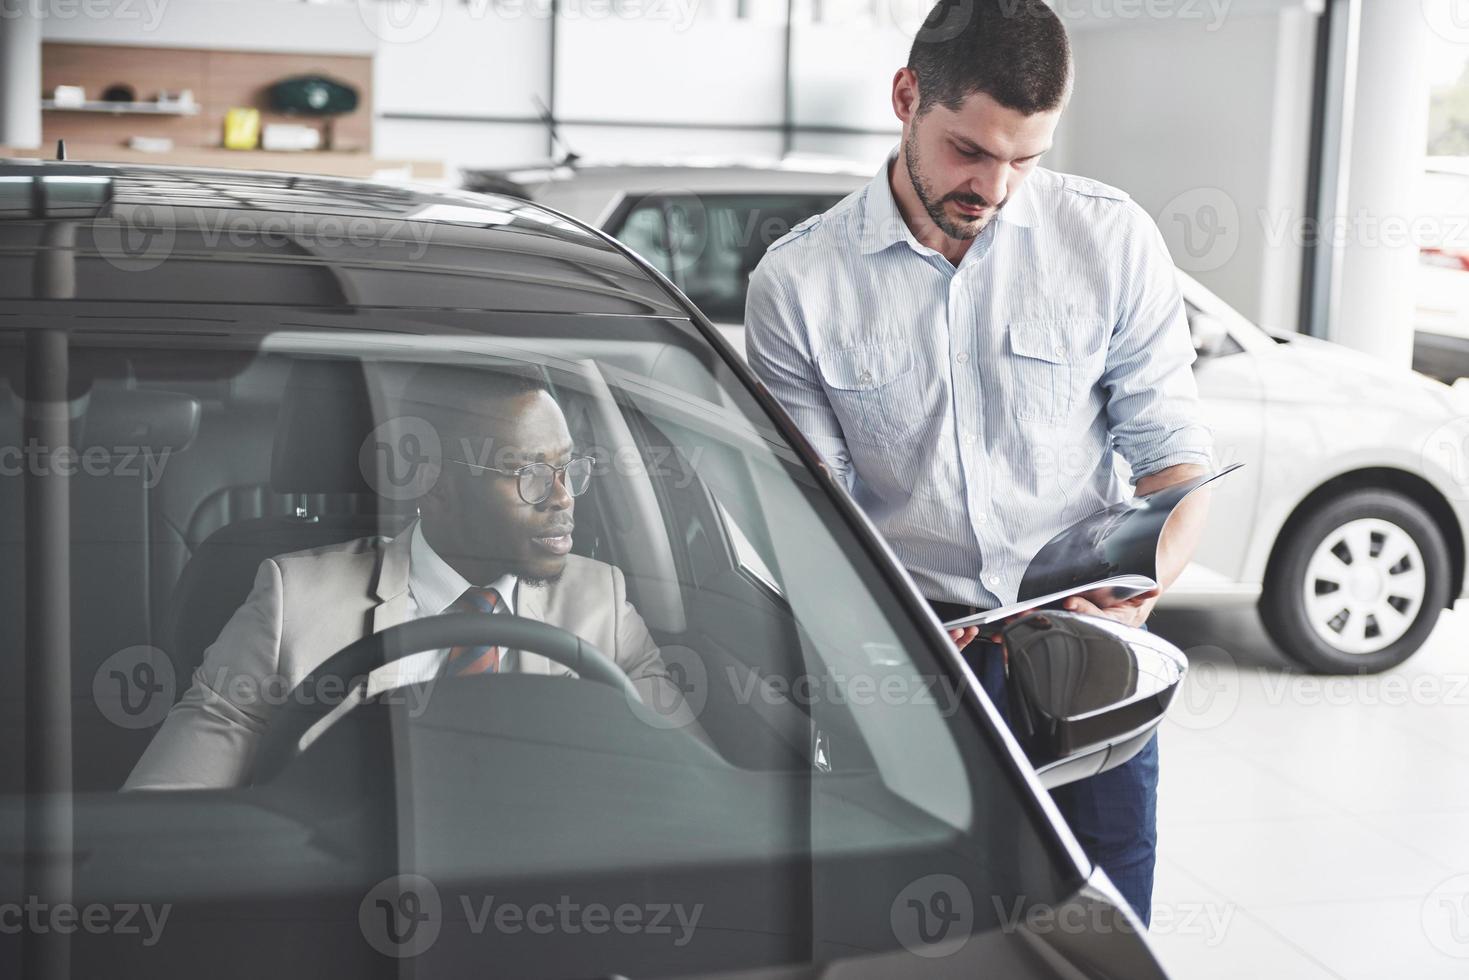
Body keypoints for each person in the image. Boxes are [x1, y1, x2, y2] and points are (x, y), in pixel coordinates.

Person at [744, 0, 1212, 925]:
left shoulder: (1108, 241)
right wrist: (878, 626)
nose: (995, 188)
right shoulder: (797, 286)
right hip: (906, 669)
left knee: (1098, 922)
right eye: (970, 151)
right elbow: (811, 520)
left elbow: (1173, 462)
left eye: (1025, 160)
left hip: (1088, 656)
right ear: (906, 96)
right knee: (925, 932)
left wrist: (1144, 584)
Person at [126, 365, 702, 791]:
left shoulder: (602, 601)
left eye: (568, 467)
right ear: (434, 483)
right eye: (527, 472)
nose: (562, 496)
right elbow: (166, 811)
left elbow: (693, 793)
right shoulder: (293, 602)